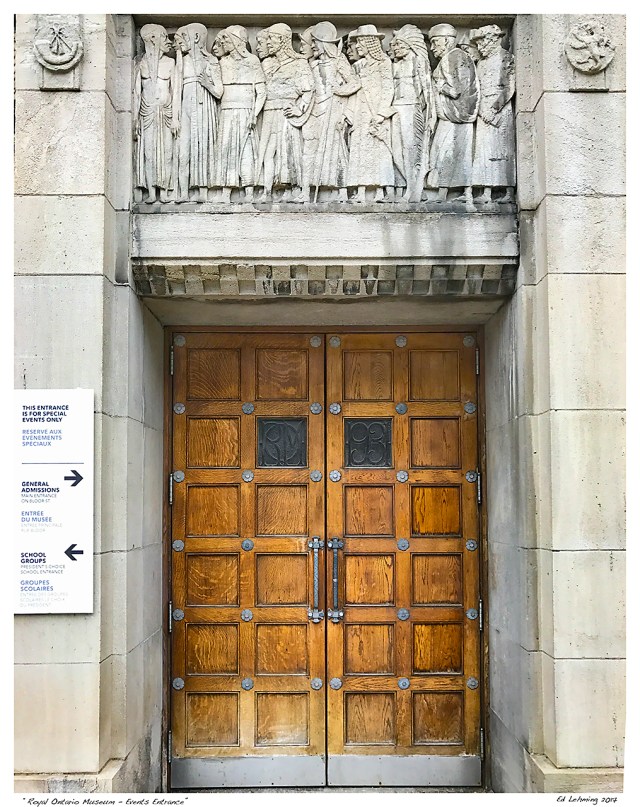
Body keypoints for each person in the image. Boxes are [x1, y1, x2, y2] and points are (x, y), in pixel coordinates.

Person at [298, 21, 360, 202]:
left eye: (315, 42)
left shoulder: (339, 62)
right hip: (314, 111)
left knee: (336, 152)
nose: (313, 46)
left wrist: (338, 91)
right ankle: (304, 190)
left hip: (332, 111)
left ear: (324, 43)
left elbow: (355, 83)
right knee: (308, 151)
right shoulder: (313, 65)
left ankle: (341, 191)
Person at [255, 23, 314, 202]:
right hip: (269, 111)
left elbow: (309, 89)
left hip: (286, 115)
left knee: (287, 153)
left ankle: (291, 188)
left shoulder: (299, 63)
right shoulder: (268, 63)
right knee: (266, 153)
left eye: (272, 38)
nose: (268, 42)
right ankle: (267, 191)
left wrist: (299, 109)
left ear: (282, 40)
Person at [212, 25, 266, 203]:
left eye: (226, 39)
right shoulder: (223, 62)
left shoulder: (252, 62)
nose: (223, 42)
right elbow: (219, 92)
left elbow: (261, 91)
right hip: (227, 111)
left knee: (247, 151)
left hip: (245, 111)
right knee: (226, 150)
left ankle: (249, 190)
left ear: (236, 41)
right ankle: (226, 191)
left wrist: (254, 114)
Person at [427, 23, 479, 203]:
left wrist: (438, 85)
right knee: (455, 153)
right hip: (455, 116)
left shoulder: (455, 57)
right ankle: (463, 192)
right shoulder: (453, 57)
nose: (432, 48)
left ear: (447, 41)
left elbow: (456, 89)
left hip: (456, 116)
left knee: (446, 153)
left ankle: (445, 194)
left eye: (435, 42)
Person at [173, 22, 222, 203]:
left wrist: (207, 84)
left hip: (205, 109)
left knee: (203, 149)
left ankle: (203, 191)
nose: (180, 42)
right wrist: (175, 118)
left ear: (196, 37)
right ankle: (183, 192)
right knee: (183, 151)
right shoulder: (182, 61)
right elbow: (176, 91)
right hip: (186, 109)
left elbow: (219, 91)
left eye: (184, 36)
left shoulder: (211, 61)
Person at [346, 24, 395, 203]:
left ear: (369, 43)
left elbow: (389, 89)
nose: (357, 46)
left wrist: (381, 114)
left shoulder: (384, 63)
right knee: (359, 151)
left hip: (376, 114)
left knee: (379, 153)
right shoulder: (359, 65)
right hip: (361, 113)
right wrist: (348, 114)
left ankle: (381, 190)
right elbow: (354, 91)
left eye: (360, 42)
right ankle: (360, 190)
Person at [390, 24, 437, 202]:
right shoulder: (395, 65)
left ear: (410, 46)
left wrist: (431, 115)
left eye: (400, 45)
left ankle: (412, 189)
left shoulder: (419, 63)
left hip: (412, 108)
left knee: (411, 151)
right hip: (396, 109)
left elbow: (428, 90)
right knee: (396, 152)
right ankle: (413, 185)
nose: (396, 49)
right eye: (395, 45)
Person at [470, 25, 516, 203]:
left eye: (482, 42)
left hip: (500, 109)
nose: (480, 47)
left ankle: (508, 192)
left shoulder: (506, 58)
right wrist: (481, 109)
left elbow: (508, 87)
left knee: (503, 150)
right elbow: (477, 89)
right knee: (483, 151)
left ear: (493, 40)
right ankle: (486, 190)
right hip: (483, 110)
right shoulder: (481, 63)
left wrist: (493, 109)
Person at [133, 24, 177, 204]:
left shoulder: (170, 62)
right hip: (147, 113)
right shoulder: (139, 63)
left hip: (166, 113)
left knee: (167, 152)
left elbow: (175, 91)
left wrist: (176, 117)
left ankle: (165, 191)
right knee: (149, 153)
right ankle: (151, 192)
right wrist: (135, 119)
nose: (168, 41)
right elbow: (136, 93)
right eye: (164, 37)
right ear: (152, 39)